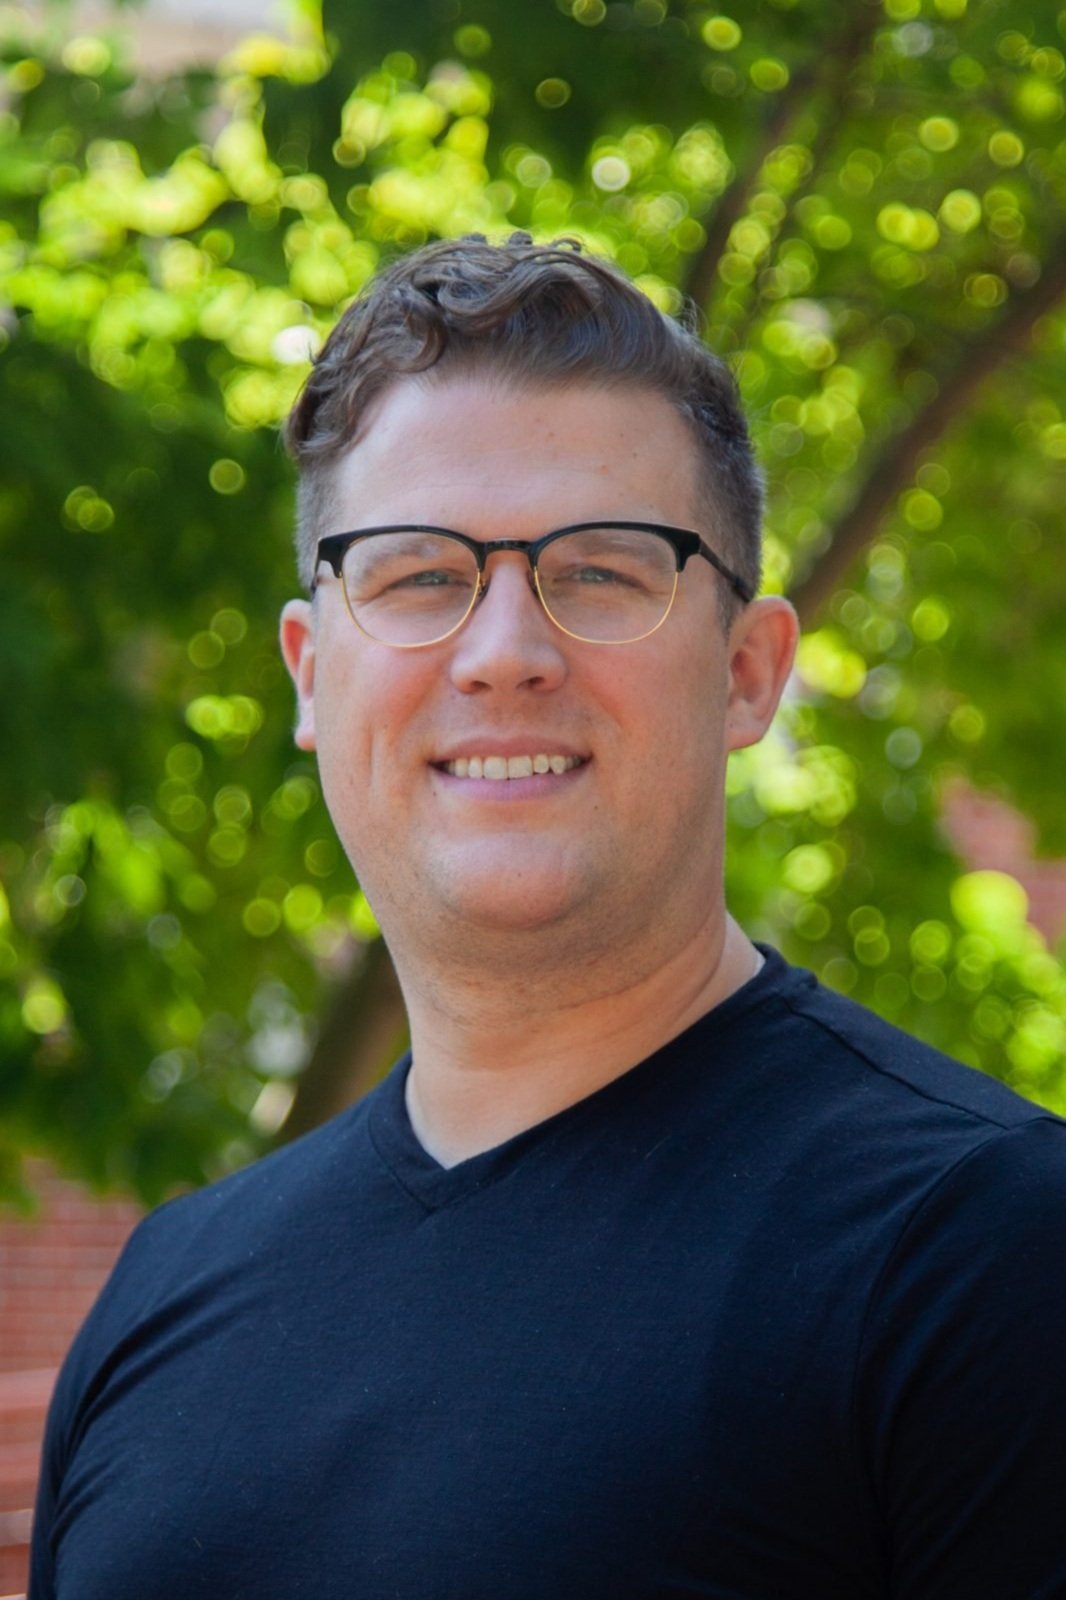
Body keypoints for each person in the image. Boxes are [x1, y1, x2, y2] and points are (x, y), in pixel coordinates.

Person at [30, 236, 1066, 1599]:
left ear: (747, 672)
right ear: (309, 673)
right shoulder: (166, 1297)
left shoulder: (984, 1252)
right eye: (416, 576)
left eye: (599, 573)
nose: (505, 653)